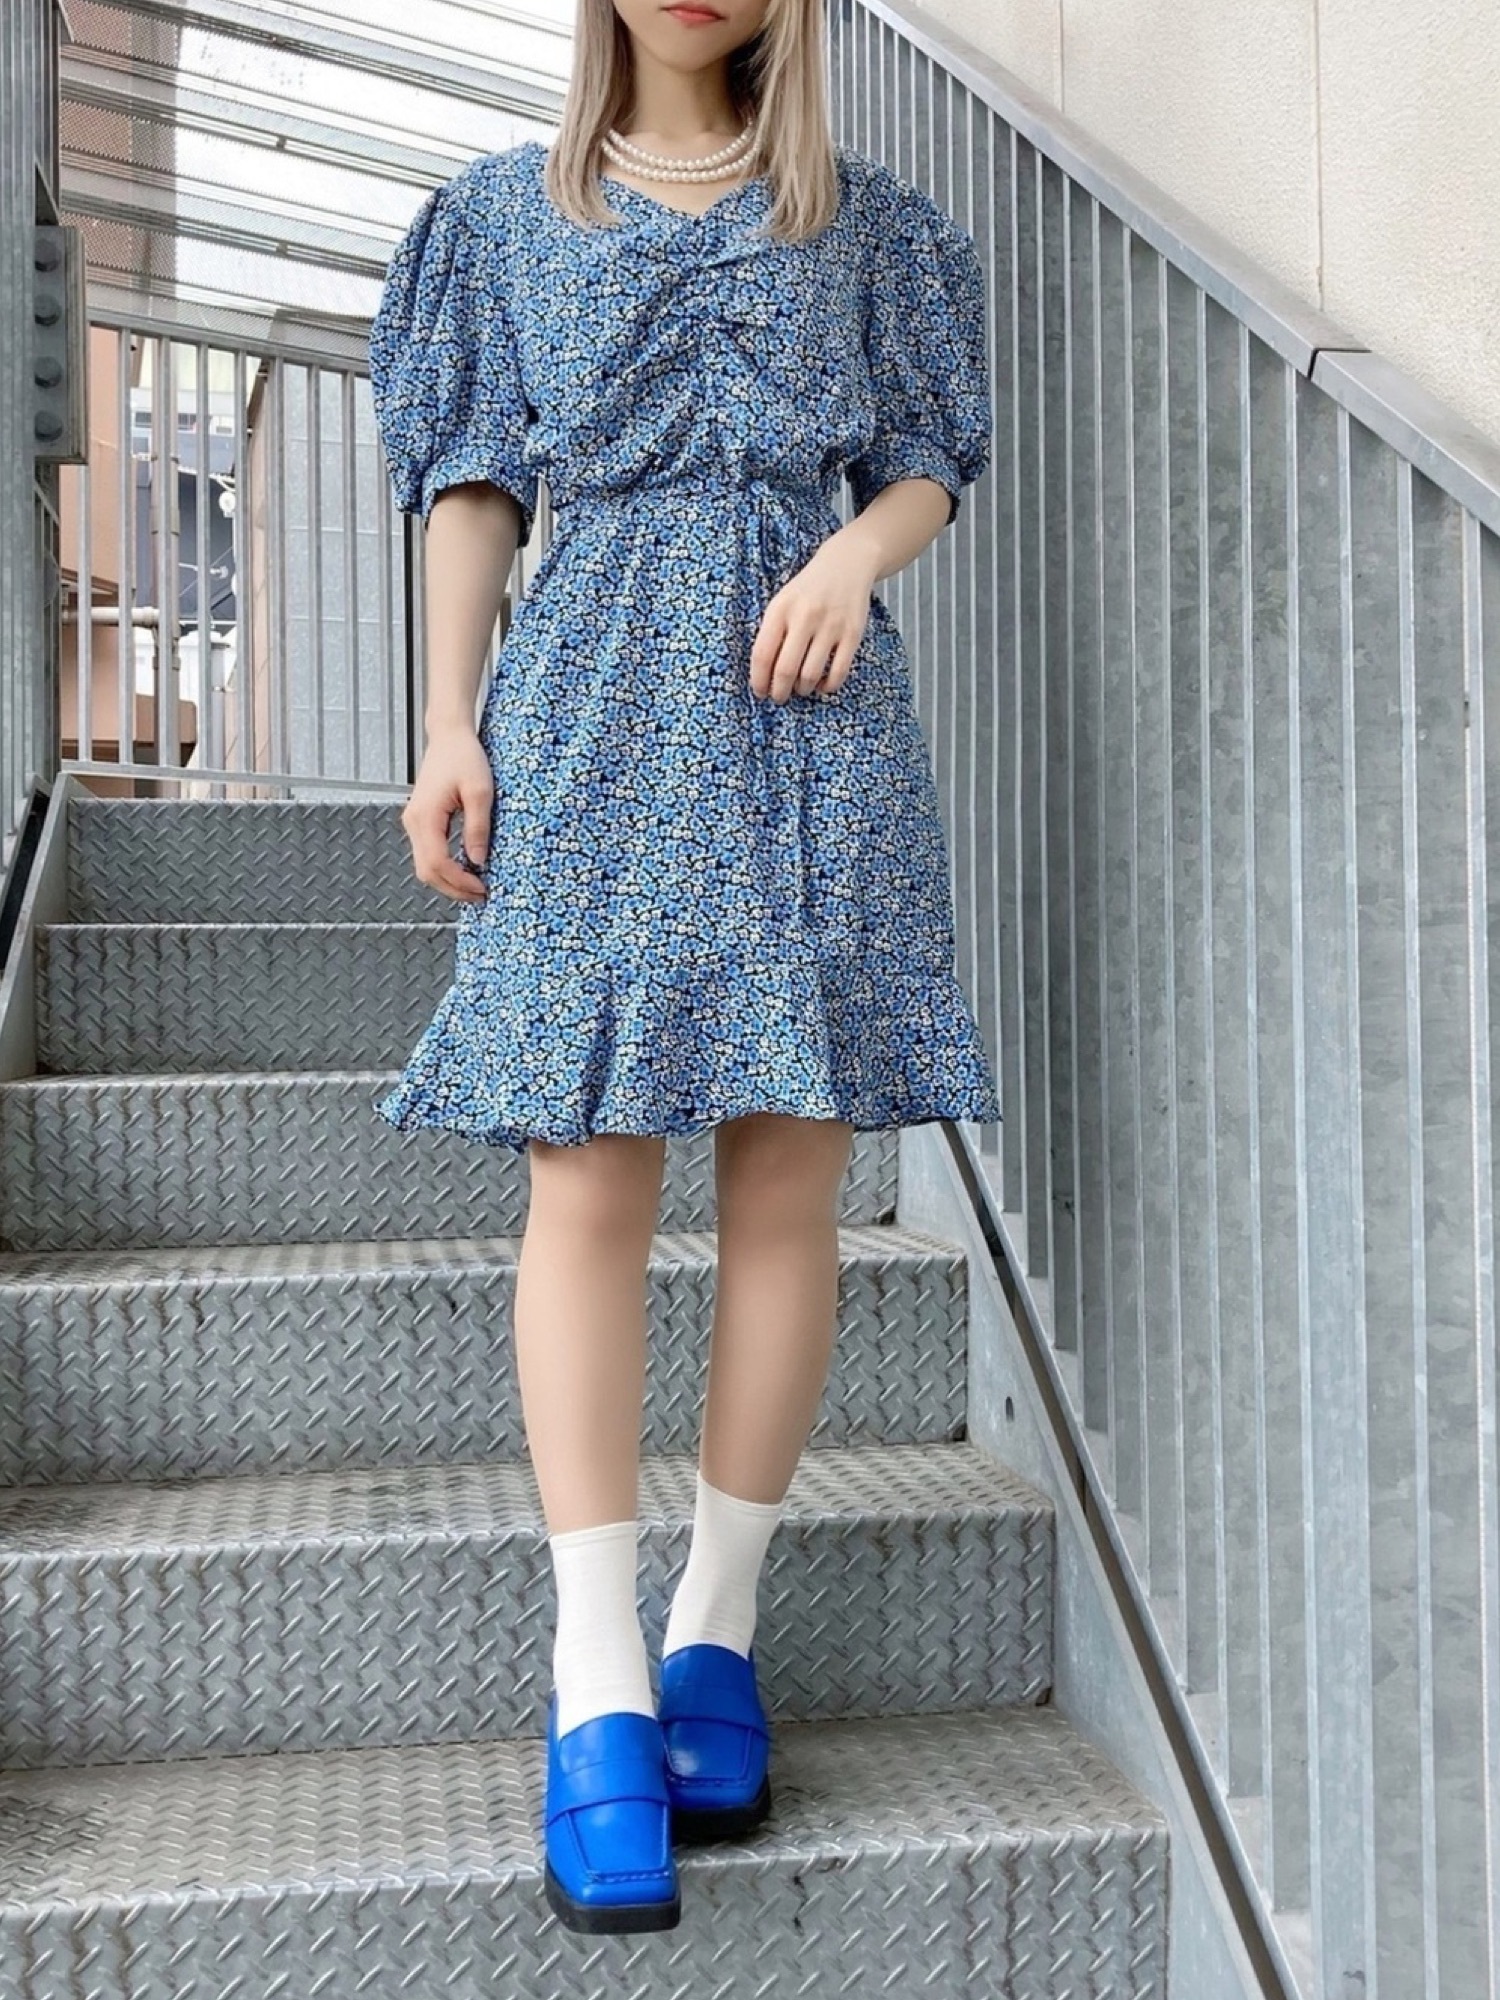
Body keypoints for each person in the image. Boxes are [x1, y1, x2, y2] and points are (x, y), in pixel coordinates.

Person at [366, 0, 1001, 1940]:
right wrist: (447, 722)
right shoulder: (500, 216)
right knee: (586, 1172)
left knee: (788, 1174)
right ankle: (595, 1674)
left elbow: (924, 460)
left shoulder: (869, 223)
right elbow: (475, 482)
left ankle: (714, 1628)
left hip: (808, 720)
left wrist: (855, 557)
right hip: (589, 710)